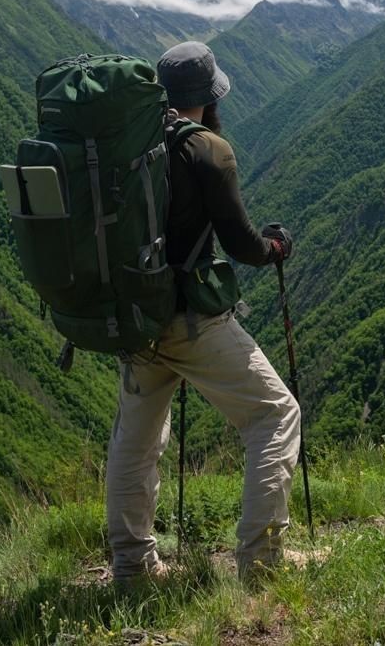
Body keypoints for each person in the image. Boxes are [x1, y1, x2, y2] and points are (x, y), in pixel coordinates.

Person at [105, 40, 301, 586]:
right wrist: (274, 248)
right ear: (209, 96)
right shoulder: (209, 150)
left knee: (136, 440)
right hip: (191, 322)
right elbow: (241, 245)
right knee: (274, 415)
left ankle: (132, 567)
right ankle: (261, 566)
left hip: (137, 319)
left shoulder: (127, 144)